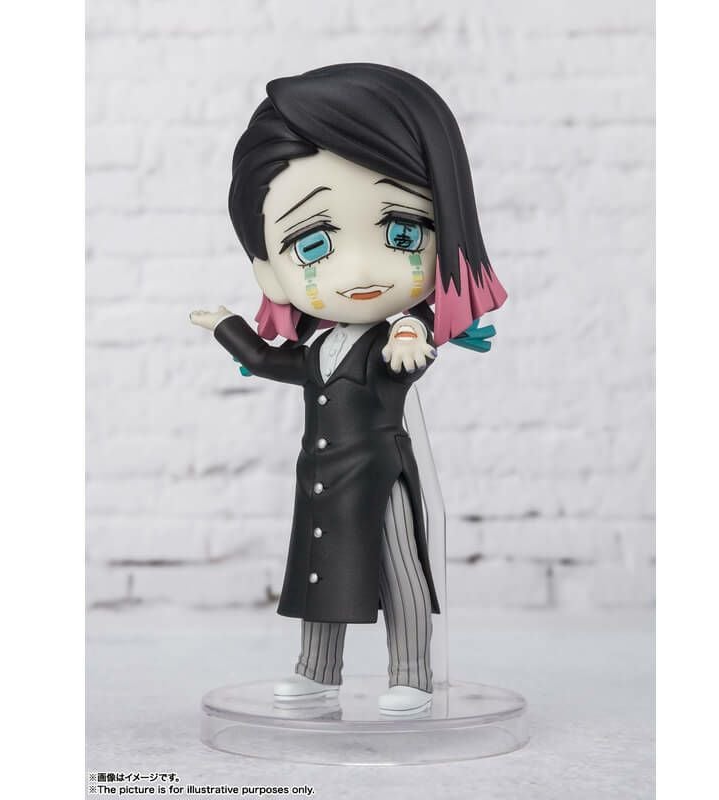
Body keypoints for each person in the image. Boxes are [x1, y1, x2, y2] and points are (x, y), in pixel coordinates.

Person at [190, 63, 507, 714]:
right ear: (269, 271)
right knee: (319, 576)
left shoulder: (396, 339)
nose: (360, 269)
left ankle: (412, 674)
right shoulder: (315, 350)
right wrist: (226, 326)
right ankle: (316, 671)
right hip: (323, 482)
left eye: (402, 232)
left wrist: (414, 331)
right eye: (311, 244)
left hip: (381, 476)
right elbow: (270, 361)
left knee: (401, 570)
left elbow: (410, 352)